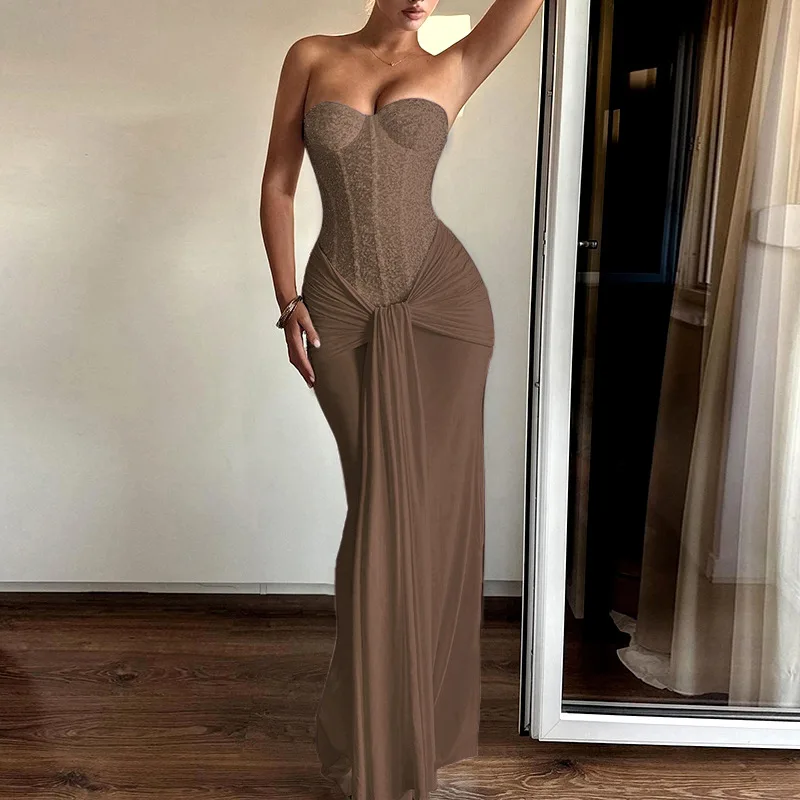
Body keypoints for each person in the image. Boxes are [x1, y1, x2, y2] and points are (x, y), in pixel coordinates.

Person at [260, 1, 543, 797]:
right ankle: (373, 730)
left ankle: (410, 728)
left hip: (443, 308)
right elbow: (278, 185)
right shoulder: (313, 54)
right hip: (339, 304)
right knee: (379, 512)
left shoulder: (455, 63)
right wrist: (287, 300)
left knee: (431, 517)